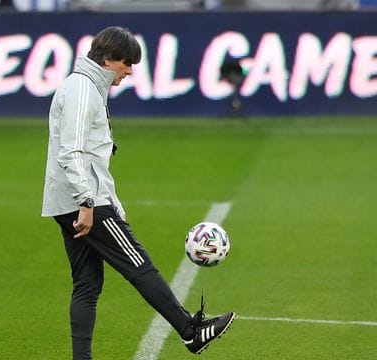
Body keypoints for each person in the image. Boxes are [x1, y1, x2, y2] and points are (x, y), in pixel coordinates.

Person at [41, 26, 235, 359]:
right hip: (84, 202)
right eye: (127, 63)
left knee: (87, 286)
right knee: (139, 265)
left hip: (72, 200)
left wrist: (112, 202)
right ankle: (190, 332)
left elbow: (93, 157)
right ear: (108, 59)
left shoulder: (86, 88)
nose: (130, 71)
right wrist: (88, 203)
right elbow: (71, 152)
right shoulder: (83, 90)